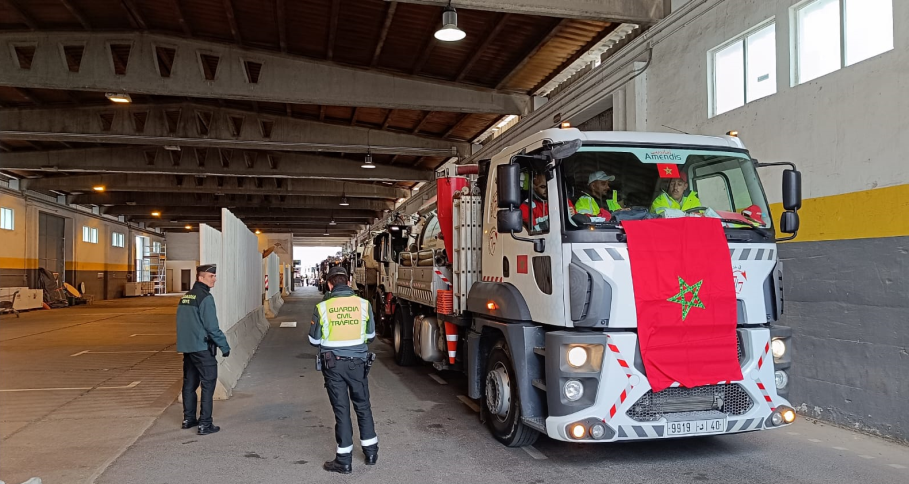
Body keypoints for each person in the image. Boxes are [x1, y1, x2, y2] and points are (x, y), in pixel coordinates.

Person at [309, 266, 378, 474]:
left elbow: (314, 340)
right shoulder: (364, 305)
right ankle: (371, 452)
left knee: (342, 410)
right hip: (358, 364)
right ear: (348, 282)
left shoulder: (323, 307)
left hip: (333, 365)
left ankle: (344, 460)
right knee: (363, 406)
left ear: (330, 284)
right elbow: (371, 335)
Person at [176, 264, 230, 435]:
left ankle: (188, 419)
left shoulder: (186, 297)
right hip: (202, 347)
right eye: (211, 276)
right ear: (200, 277)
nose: (214, 279)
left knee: (189, 384)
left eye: (214, 276)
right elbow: (212, 327)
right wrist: (224, 346)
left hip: (188, 349)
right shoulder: (205, 297)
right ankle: (205, 424)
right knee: (208, 384)